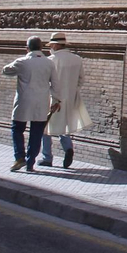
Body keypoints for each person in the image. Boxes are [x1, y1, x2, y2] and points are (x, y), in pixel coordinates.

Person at [2, 36, 56, 172]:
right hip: (41, 102)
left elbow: (6, 71)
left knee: (17, 129)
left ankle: (20, 157)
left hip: (24, 101)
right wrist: (56, 101)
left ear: (27, 48)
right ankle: (30, 161)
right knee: (36, 132)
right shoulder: (49, 63)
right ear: (41, 47)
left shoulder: (22, 62)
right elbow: (56, 84)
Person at [39, 32, 88, 169]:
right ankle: (68, 148)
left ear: (55, 45)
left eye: (51, 45)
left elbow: (46, 81)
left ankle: (47, 157)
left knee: (45, 128)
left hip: (52, 98)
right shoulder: (77, 59)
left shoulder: (50, 60)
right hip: (70, 98)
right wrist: (72, 90)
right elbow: (81, 79)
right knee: (63, 126)